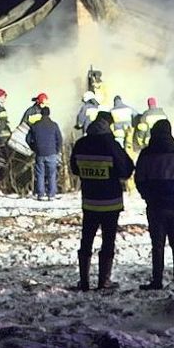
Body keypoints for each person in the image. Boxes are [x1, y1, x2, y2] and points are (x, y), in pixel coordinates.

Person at [69, 111, 133, 291]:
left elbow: (74, 168)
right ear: (108, 125)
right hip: (110, 202)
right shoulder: (111, 145)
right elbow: (126, 170)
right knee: (108, 242)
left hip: (89, 202)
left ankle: (84, 281)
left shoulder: (81, 144)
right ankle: (104, 281)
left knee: (86, 241)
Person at [134, 120, 174, 292]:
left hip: (155, 206)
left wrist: (147, 196)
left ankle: (157, 280)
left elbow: (139, 179)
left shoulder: (146, 154)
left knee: (157, 245)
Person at [25, 106, 62, 201]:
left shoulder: (35, 125)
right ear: (49, 114)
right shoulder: (54, 125)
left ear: (41, 114)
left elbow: (28, 139)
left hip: (40, 154)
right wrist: (56, 150)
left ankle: (40, 194)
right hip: (51, 153)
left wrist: (34, 148)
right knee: (51, 174)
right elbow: (59, 139)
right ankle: (51, 195)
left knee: (40, 174)